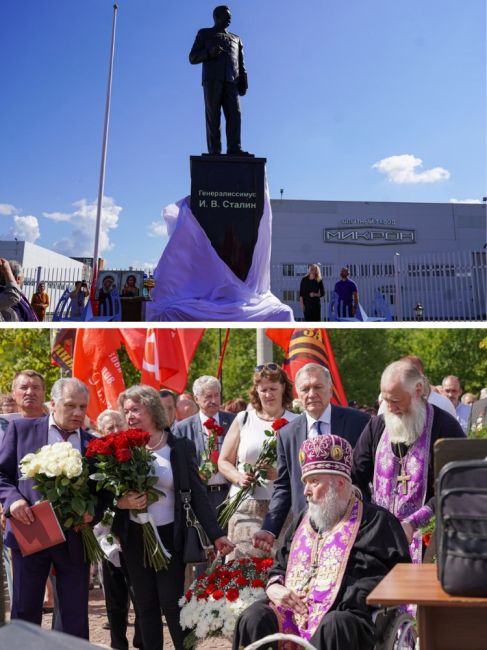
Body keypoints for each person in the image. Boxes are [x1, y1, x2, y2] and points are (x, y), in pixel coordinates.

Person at [233, 435, 411, 650]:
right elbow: (279, 567)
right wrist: (275, 588)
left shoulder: (376, 521)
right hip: (292, 613)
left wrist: (349, 594)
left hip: (345, 614)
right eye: (305, 482)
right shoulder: (302, 520)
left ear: (340, 483)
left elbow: (397, 577)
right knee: (253, 617)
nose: (306, 491)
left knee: (335, 624)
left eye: (314, 481)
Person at [114, 385, 234, 650]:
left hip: (171, 535)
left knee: (171, 601)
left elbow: (198, 495)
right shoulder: (121, 447)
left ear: (152, 409)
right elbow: (107, 493)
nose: (131, 415)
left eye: (136, 409)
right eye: (127, 411)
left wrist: (216, 534)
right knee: (144, 604)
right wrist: (120, 502)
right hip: (134, 536)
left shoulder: (178, 446)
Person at [0, 378, 98, 639]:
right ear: (53, 404)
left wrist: (93, 512)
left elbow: (103, 492)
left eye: (82, 406)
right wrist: (13, 500)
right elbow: (2, 474)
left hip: (75, 538)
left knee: (74, 617)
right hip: (31, 533)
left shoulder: (93, 444)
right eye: (70, 405)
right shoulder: (22, 429)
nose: (78, 412)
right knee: (25, 612)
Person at [352, 359, 465, 562]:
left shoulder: (446, 427)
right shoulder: (377, 426)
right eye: (385, 400)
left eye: (396, 400)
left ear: (418, 390)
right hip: (379, 539)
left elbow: (456, 485)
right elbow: (356, 475)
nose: (390, 408)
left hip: (429, 541)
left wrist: (413, 523)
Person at [253, 363, 370, 553]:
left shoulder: (358, 422)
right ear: (298, 393)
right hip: (307, 528)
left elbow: (367, 474)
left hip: (352, 523)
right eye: (305, 389)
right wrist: (269, 528)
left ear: (330, 390)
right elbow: (284, 487)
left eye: (318, 387)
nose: (311, 393)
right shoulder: (287, 434)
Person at [218, 364, 297, 557]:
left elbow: (303, 468)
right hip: (246, 505)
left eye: (273, 389)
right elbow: (223, 461)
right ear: (256, 391)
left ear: (283, 388)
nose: (268, 394)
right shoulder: (243, 419)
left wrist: (279, 474)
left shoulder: (297, 421)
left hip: (283, 509)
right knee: (243, 572)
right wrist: (238, 477)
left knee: (279, 569)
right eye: (263, 390)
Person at [189, 5, 249, 155]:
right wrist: (209, 53)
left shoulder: (236, 39)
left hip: (232, 81)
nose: (229, 18)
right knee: (213, 114)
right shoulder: (204, 34)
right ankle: (214, 150)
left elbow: (241, 63)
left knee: (235, 114)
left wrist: (244, 81)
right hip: (212, 80)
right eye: (226, 15)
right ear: (216, 17)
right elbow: (192, 57)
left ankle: (234, 148)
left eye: (230, 16)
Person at [174, 376, 235, 517]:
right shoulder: (183, 429)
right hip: (199, 496)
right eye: (208, 396)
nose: (213, 401)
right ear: (196, 399)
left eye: (216, 395)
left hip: (230, 494)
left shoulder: (234, 422)